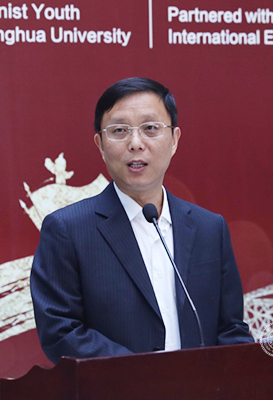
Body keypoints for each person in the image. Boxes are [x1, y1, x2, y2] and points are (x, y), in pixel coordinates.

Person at [30, 77, 254, 364]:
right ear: (100, 144)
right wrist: (142, 376)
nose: (136, 144)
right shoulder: (68, 230)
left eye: (150, 128)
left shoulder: (209, 229)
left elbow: (231, 329)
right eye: (119, 131)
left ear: (174, 140)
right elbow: (61, 331)